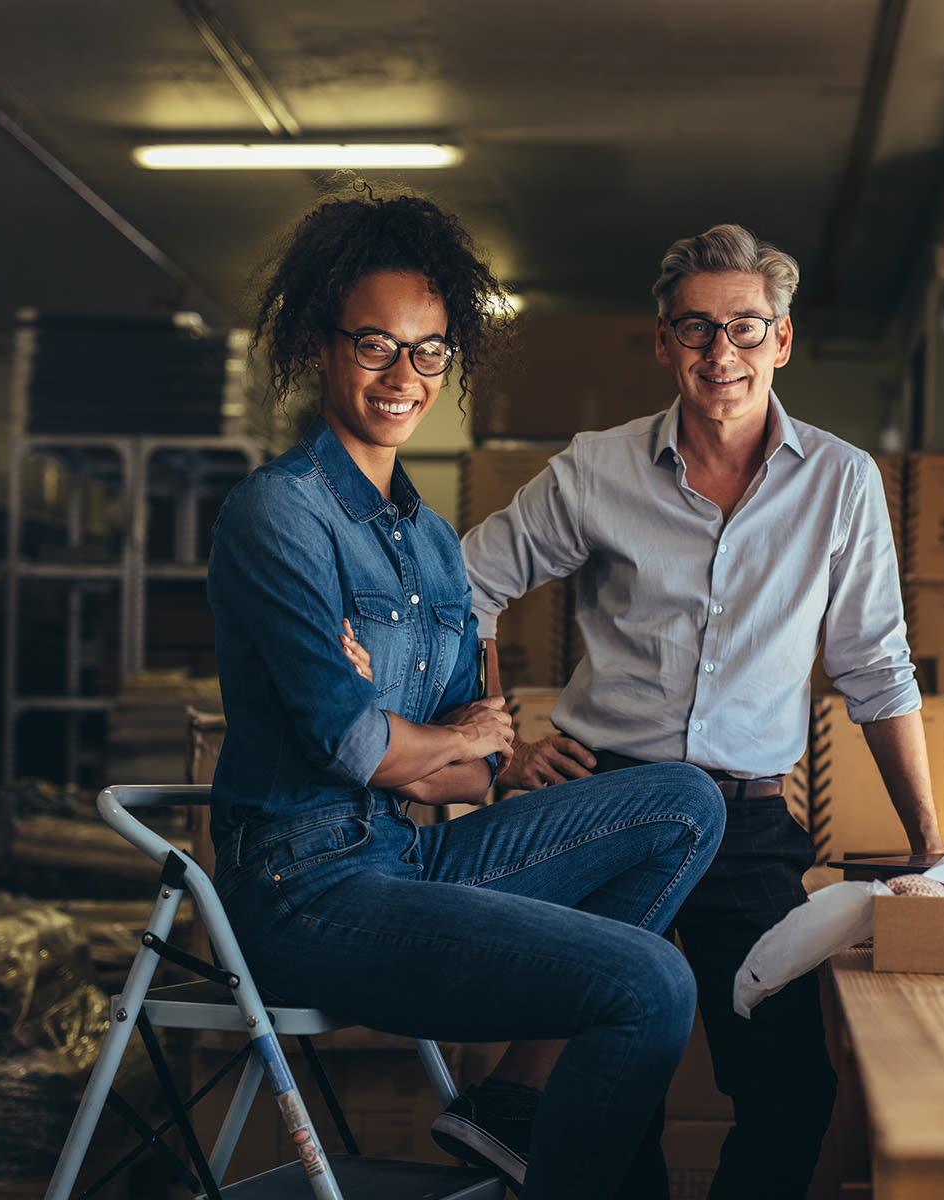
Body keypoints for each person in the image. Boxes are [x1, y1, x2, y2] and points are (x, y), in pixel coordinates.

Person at [205, 189, 727, 1200]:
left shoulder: (435, 542)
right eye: (374, 345)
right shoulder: (280, 515)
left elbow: (471, 773)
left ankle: (508, 1110)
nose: (404, 376)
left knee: (685, 802)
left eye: (430, 351)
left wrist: (434, 743)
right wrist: (427, 739)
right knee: (653, 982)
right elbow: (352, 749)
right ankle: (539, 1151)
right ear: (321, 344)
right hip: (304, 891)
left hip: (408, 855)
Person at [455, 223, 944, 1200]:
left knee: (791, 1085)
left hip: (748, 818)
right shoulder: (596, 470)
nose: (721, 354)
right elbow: (465, 583)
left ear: (784, 340)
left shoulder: (841, 483)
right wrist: (497, 744)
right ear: (661, 342)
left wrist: (931, 842)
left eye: (746, 328)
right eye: (695, 329)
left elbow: (876, 668)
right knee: (613, 1091)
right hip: (607, 806)